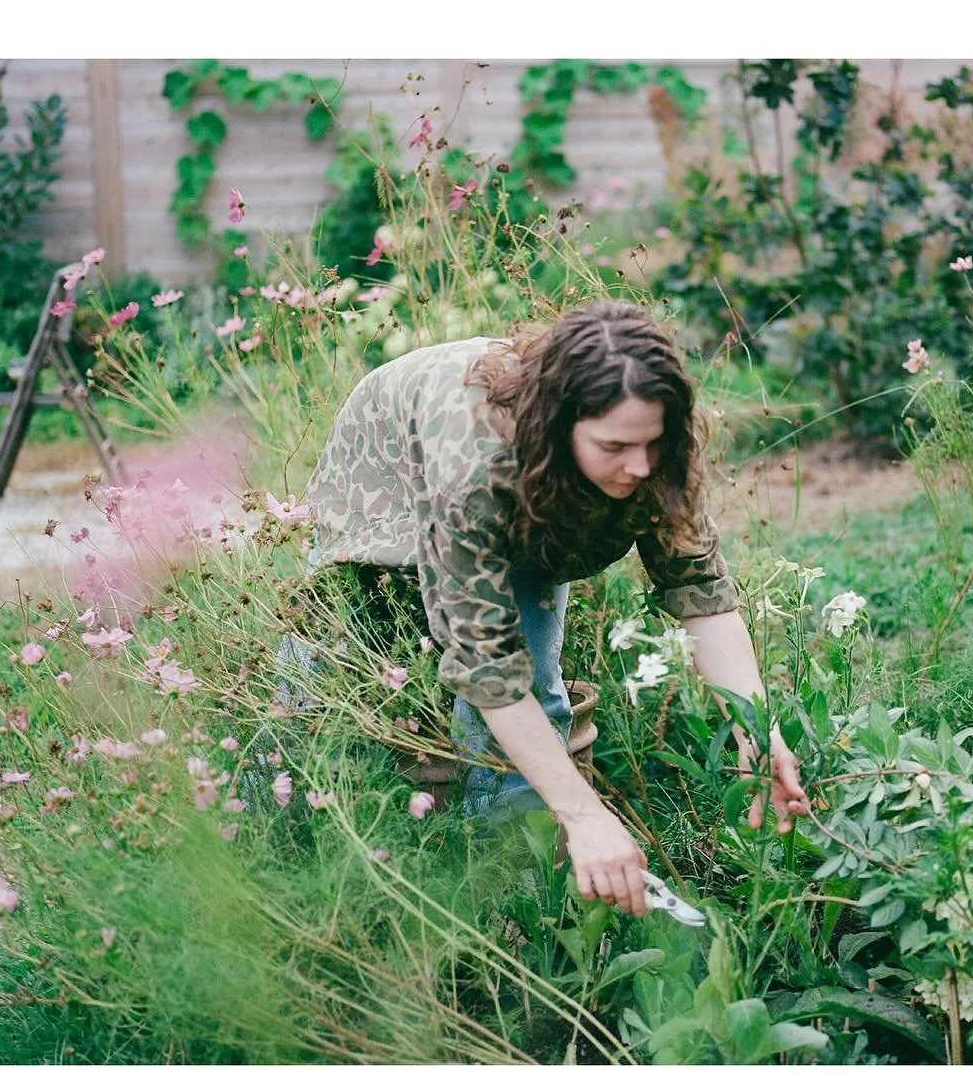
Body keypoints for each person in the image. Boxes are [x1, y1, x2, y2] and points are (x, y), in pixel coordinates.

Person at [302, 300, 809, 918]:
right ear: (559, 426)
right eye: (615, 446)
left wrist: (758, 733)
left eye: (653, 443)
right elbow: (489, 670)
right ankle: (276, 822)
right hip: (382, 467)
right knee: (326, 669)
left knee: (539, 695)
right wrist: (586, 815)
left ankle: (514, 900)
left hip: (540, 494)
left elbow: (700, 593)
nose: (641, 466)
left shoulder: (650, 442)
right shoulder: (478, 472)